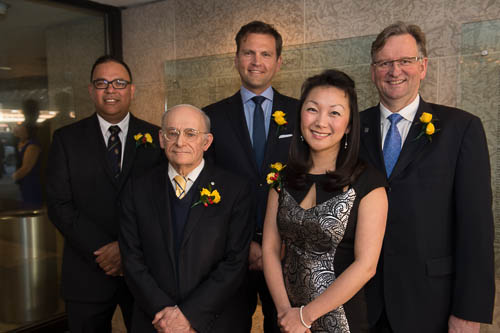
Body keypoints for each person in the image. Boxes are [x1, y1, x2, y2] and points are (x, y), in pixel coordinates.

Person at [359, 22, 495, 333]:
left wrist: (469, 311)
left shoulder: (461, 129)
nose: (395, 70)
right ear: (373, 71)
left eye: (405, 61)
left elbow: (476, 228)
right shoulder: (351, 128)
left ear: (423, 67)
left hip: (431, 304)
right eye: (385, 63)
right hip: (362, 304)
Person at [262, 69, 388, 332]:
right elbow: (270, 251)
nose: (321, 121)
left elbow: (366, 266)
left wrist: (305, 317)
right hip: (285, 319)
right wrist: (286, 313)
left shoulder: (368, 182)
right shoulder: (282, 179)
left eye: (334, 113)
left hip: (343, 321)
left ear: (349, 125)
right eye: (312, 109)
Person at [47, 55, 164, 333]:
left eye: (119, 83)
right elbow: (59, 205)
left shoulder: (156, 138)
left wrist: (125, 248)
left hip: (143, 272)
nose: (110, 89)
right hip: (86, 270)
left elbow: (162, 203)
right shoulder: (66, 139)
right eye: (102, 83)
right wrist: (105, 251)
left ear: (132, 90)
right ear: (91, 90)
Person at [119, 104, 253, 332]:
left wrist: (188, 316)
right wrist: (166, 316)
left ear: (207, 142)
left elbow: (235, 262)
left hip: (216, 321)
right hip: (155, 320)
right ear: (161, 139)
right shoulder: (136, 189)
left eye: (191, 133)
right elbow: (132, 258)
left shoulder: (235, 190)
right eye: (172, 133)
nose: (180, 142)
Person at [203, 20, 299, 332]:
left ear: (278, 61)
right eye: (249, 52)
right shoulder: (211, 117)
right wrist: (242, 244)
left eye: (266, 54)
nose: (256, 61)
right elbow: (207, 186)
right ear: (236, 58)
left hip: (287, 253)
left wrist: (283, 242)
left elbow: (306, 183)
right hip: (230, 254)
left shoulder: (302, 115)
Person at [12, 122, 42, 208]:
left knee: (29, 206)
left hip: (30, 182)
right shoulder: (20, 143)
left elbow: (26, 168)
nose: (17, 130)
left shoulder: (32, 146)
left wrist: (12, 178)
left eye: (21, 128)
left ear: (28, 131)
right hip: (21, 181)